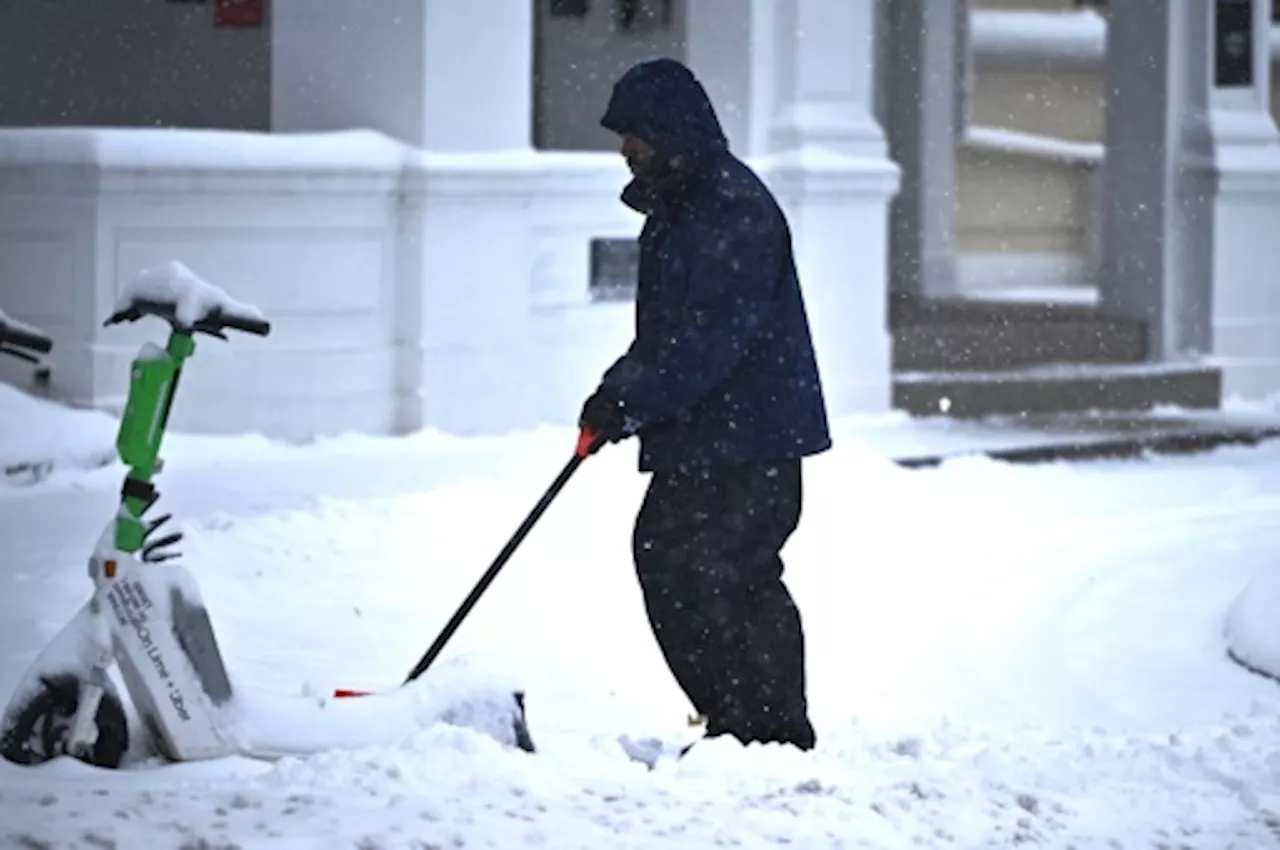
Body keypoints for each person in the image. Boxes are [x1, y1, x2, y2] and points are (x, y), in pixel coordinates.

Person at [578, 57, 832, 753]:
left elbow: (708, 339)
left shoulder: (731, 209)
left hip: (750, 439)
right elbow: (666, 334)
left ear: (670, 130)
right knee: (676, 563)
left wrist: (630, 400)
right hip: (710, 434)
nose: (625, 148)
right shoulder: (683, 205)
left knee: (730, 575)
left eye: (634, 133)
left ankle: (769, 732)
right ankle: (738, 722)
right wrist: (614, 393)